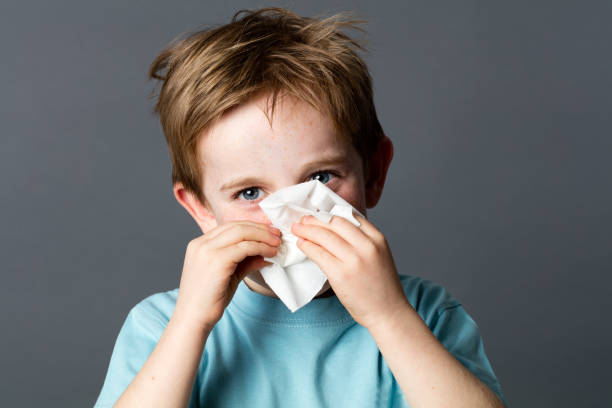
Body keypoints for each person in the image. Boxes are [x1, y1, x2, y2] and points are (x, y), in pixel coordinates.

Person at [94, 7, 507, 408]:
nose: (291, 217)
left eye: (320, 178)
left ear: (374, 174)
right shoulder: (162, 325)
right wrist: (191, 325)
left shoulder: (426, 314)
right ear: (200, 207)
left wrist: (388, 316)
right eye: (250, 193)